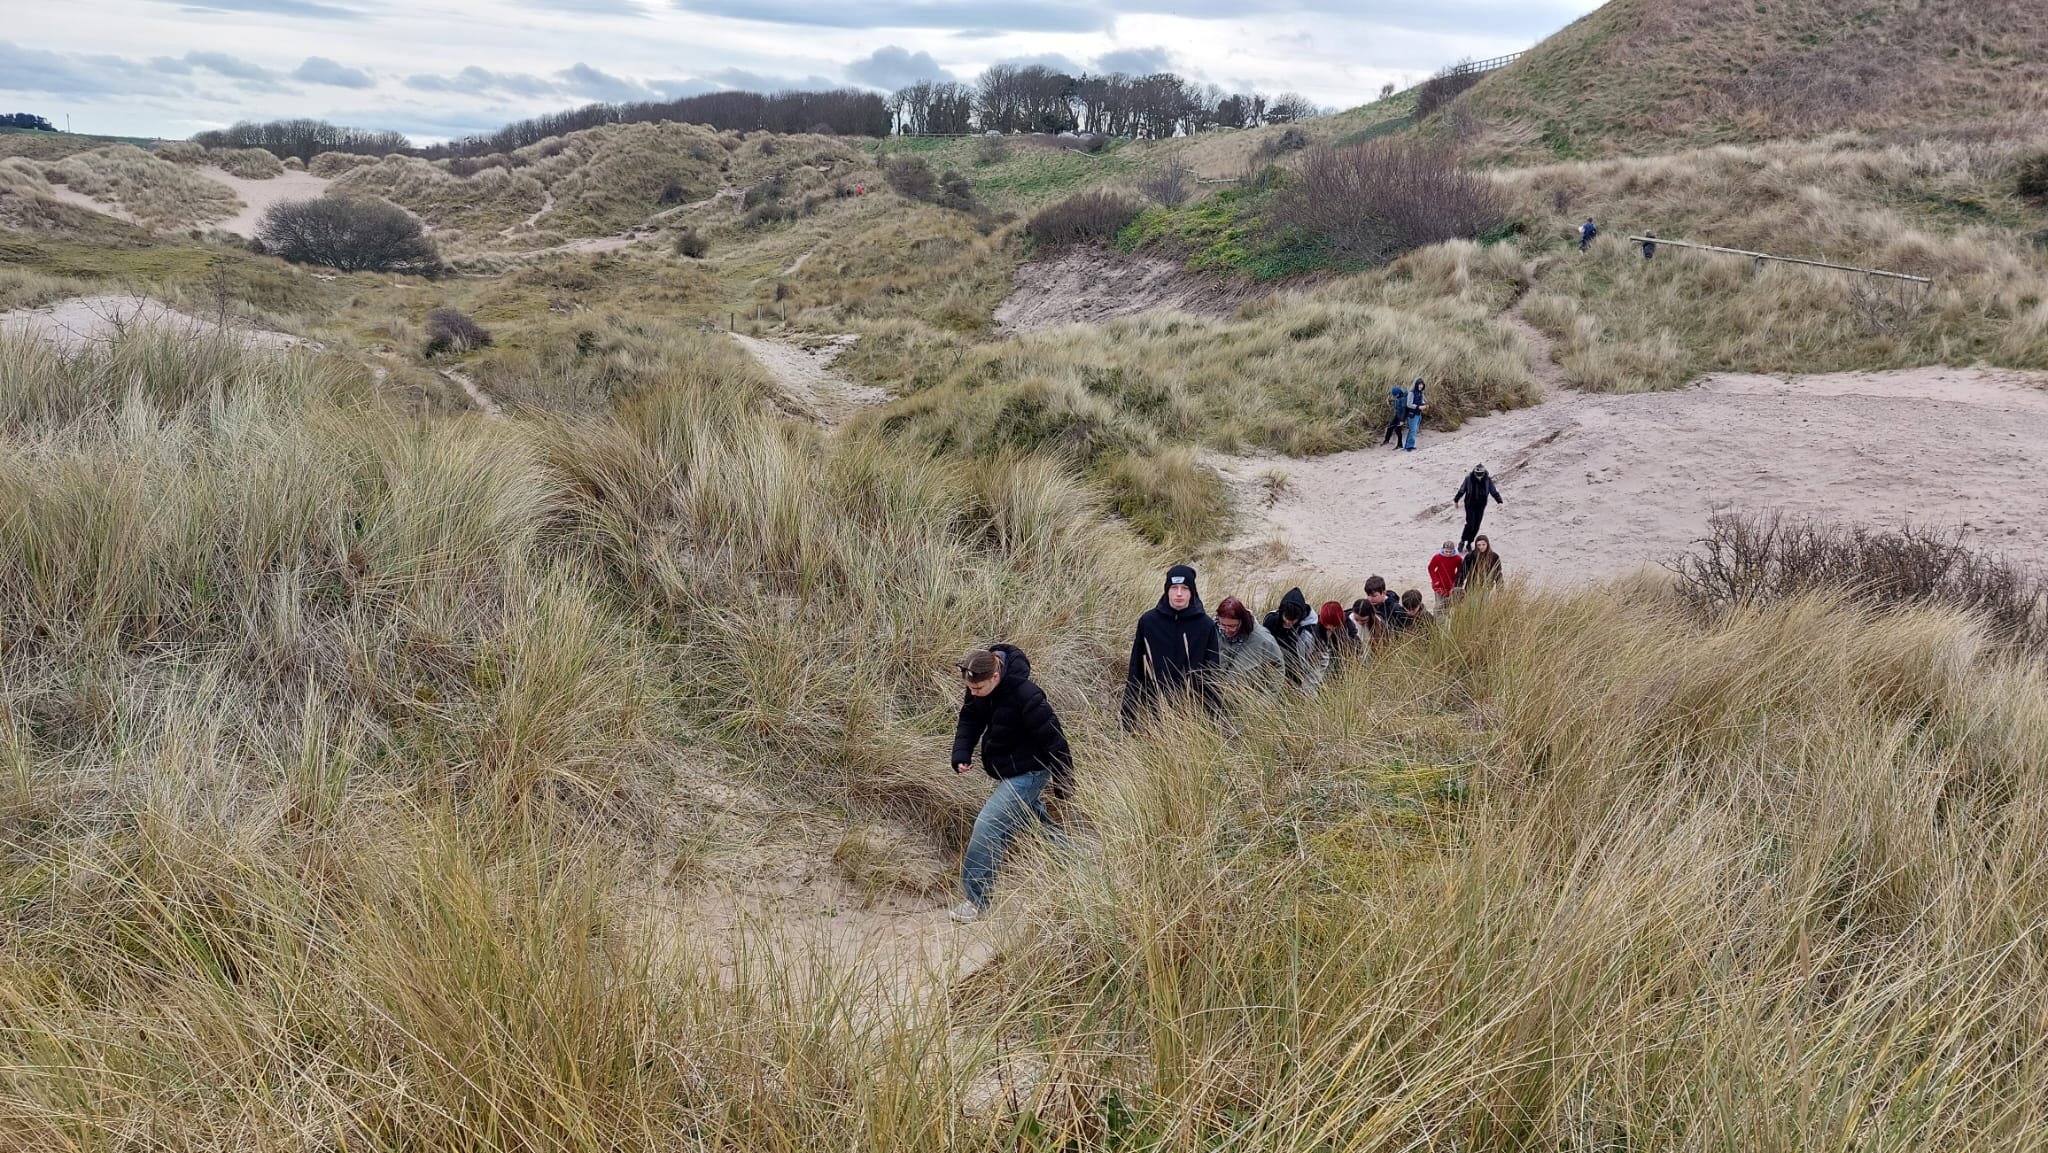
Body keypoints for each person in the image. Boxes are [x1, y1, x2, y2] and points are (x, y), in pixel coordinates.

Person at [949, 645, 1070, 923]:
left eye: (977, 688)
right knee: (1033, 824)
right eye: (969, 688)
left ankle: (976, 901)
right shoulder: (979, 686)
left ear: (995, 677)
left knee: (988, 825)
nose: (973, 693)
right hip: (1007, 769)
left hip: (1031, 772)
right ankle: (1079, 861)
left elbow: (1056, 741)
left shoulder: (1027, 695)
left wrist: (1064, 782)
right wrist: (961, 754)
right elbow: (970, 719)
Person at [1121, 564, 1222, 727]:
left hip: (1193, 711)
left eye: (1185, 588)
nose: (1179, 593)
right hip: (1154, 708)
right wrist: (1128, 718)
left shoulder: (1205, 625)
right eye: (1174, 588)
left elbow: (1212, 673)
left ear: (1192, 592)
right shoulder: (1148, 622)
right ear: (1167, 590)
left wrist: (1213, 719)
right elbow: (1136, 670)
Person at [1215, 595, 1285, 697]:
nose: (1226, 630)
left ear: (1242, 621)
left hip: (1248, 700)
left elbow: (1278, 666)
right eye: (1222, 625)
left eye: (1232, 626)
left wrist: (1269, 697)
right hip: (1214, 699)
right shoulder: (1211, 631)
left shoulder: (1262, 639)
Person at [1262, 587, 1319, 688]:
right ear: (1281, 612)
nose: (1288, 622)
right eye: (1286, 618)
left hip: (1296, 670)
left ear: (1300, 617)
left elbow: (1309, 660)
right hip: (1271, 665)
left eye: (1293, 620)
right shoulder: (1270, 622)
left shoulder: (1308, 632)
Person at [1453, 464, 1504, 552]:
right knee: (1470, 524)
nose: (1479, 476)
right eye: (1477, 473)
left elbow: (1493, 491)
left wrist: (1499, 501)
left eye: (1481, 474)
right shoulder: (1468, 479)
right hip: (1470, 504)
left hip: (1481, 505)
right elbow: (1462, 489)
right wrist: (1456, 500)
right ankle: (1462, 541)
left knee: (1476, 526)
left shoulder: (1487, 480)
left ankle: (1469, 543)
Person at [1427, 540, 1463, 614]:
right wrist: (1435, 580)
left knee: (1448, 603)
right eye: (1446, 551)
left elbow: (1460, 570)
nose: (1448, 554)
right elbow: (1431, 568)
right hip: (1439, 584)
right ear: (1443, 549)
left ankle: (1446, 617)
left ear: (1453, 550)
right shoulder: (1437, 557)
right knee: (1439, 604)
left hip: (1451, 584)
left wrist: (1455, 581)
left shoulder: (1458, 558)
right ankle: (1436, 618)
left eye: (1450, 552)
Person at [1403, 377, 1427, 451]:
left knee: (1415, 430)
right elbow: (1409, 404)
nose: (1421, 386)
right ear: (1417, 384)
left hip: (1418, 413)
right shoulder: (1411, 393)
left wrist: (1424, 405)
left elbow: (1422, 400)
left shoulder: (1421, 392)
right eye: (1420, 384)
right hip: (1412, 414)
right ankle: (1408, 446)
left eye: (1422, 385)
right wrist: (1418, 407)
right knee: (1413, 430)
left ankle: (1410, 445)